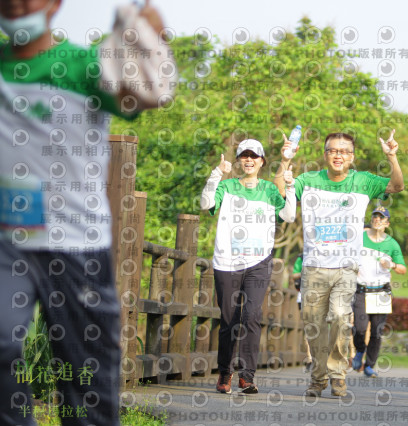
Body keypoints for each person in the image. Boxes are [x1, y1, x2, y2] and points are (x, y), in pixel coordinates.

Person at [0, 0, 173, 424]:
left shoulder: (86, 68)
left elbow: (148, 94)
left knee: (88, 390)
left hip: (78, 246)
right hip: (9, 244)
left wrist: (146, 39)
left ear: (56, 4)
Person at [274, 129, 404, 397]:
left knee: (342, 320)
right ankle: (318, 376)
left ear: (352, 157)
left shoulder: (364, 181)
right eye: (333, 150)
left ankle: (337, 373)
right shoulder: (308, 180)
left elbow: (397, 185)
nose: (338, 155)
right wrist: (285, 161)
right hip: (313, 265)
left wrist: (392, 157)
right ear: (325, 154)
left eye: (344, 151)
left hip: (346, 267)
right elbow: (279, 193)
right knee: (313, 324)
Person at [200, 139, 296, 394]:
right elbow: (206, 204)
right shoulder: (228, 185)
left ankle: (247, 376)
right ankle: (224, 373)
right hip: (227, 261)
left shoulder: (268, 189)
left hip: (258, 261)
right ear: (239, 160)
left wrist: (291, 187)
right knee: (229, 319)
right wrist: (216, 174)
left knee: (252, 316)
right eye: (244, 155)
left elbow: (288, 216)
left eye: (254, 156)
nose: (249, 159)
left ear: (262, 161)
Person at [352, 206, 406, 378]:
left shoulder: (391, 244)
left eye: (381, 218)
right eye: (375, 216)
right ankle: (360, 350)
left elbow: (403, 269)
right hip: (361, 289)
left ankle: (369, 365)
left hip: (381, 291)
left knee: (376, 331)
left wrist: (392, 265)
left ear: (387, 223)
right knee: (360, 328)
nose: (377, 219)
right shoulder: (359, 237)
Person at [290, 253, 312, 373]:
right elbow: (294, 275)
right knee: (308, 327)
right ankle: (310, 358)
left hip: (323, 296)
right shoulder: (302, 257)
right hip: (304, 296)